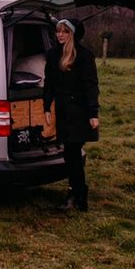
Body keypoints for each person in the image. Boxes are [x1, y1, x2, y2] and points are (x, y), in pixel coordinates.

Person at [42, 18, 100, 211]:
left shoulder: (84, 56)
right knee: (70, 154)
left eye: (65, 31)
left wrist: (93, 113)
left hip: (80, 113)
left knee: (72, 153)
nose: (60, 35)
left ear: (73, 34)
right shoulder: (53, 55)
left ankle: (76, 196)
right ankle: (78, 196)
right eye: (58, 31)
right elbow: (49, 83)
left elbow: (91, 85)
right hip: (63, 112)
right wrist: (46, 107)